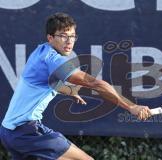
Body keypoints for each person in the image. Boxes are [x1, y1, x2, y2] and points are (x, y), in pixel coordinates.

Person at [0, 12, 151, 160]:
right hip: (27, 131)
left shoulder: (40, 51)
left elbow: (48, 82)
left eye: (72, 36)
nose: (69, 41)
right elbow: (96, 84)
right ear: (50, 38)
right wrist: (131, 107)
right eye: (63, 36)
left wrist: (69, 90)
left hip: (8, 132)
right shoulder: (54, 60)